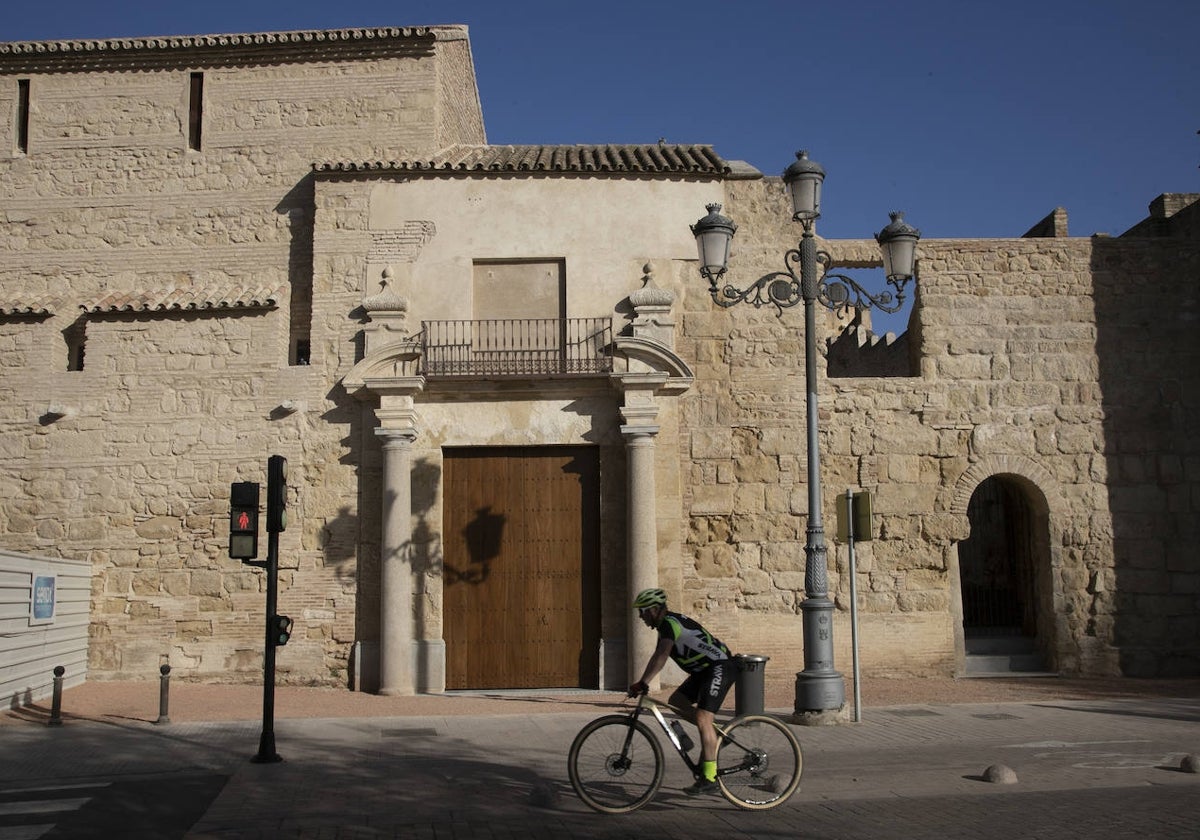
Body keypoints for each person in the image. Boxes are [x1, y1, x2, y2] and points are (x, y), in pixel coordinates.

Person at [628, 587, 736, 796]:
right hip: (705, 671)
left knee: (704, 718)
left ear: (653, 610)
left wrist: (643, 682)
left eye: (642, 611)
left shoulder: (669, 624)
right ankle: (715, 736)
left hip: (720, 666)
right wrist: (643, 681)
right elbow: (659, 655)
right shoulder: (665, 626)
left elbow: (661, 655)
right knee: (677, 700)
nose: (640, 616)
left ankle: (710, 777)